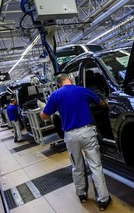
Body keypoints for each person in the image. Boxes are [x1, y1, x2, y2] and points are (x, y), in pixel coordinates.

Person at [40, 73, 111, 211]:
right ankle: (103, 200)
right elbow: (101, 104)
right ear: (70, 80)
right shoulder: (82, 90)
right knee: (95, 166)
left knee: (77, 166)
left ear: (59, 84)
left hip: (70, 136)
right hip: (87, 132)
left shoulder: (55, 95)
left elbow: (44, 116)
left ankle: (82, 195)